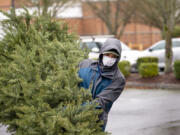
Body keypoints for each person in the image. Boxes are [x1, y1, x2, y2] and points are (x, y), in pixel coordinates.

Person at [78, 38, 126, 131]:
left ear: (118, 58)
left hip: (96, 121)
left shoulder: (118, 79)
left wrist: (75, 110)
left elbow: (101, 102)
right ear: (102, 53)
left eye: (114, 56)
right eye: (107, 54)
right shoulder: (85, 65)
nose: (110, 58)